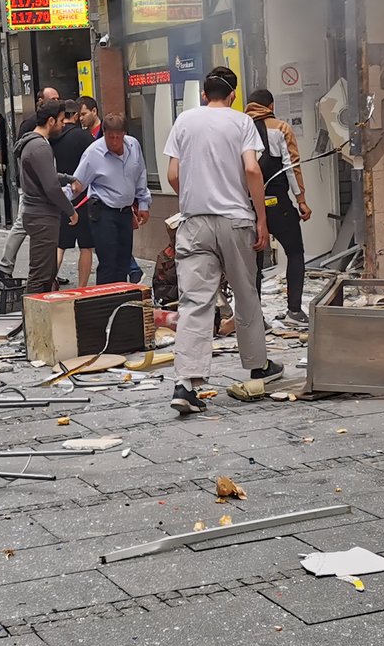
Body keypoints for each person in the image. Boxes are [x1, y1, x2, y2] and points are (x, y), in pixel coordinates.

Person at [164, 68, 280, 415]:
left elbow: (172, 174)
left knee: (194, 302)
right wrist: (261, 217)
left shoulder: (184, 121)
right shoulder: (241, 123)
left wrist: (192, 198)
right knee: (245, 293)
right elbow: (252, 170)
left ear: (204, 94)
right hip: (235, 220)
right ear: (232, 95)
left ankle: (185, 383)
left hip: (194, 222)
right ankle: (258, 366)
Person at [244, 90, 313, 325]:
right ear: (271, 105)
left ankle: (255, 317)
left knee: (253, 263)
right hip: (278, 204)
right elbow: (291, 167)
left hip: (249, 206)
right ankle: (294, 310)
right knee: (295, 253)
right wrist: (301, 200)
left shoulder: (239, 128)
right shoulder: (281, 128)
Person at [72, 114, 150, 286]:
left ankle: (120, 302)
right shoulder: (93, 153)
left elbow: (140, 175)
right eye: (110, 137)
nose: (114, 141)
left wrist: (143, 203)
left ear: (124, 134)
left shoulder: (133, 146)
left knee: (123, 261)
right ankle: (104, 304)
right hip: (103, 211)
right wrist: (63, 204)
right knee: (108, 262)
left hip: (124, 212)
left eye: (118, 137)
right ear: (104, 133)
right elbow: (77, 183)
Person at [0, 85, 61, 280]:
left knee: (28, 224)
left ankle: (44, 271)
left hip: (39, 183)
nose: (57, 102)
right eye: (53, 99)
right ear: (42, 101)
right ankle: (5, 264)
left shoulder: (45, 126)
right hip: (33, 186)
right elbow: (26, 155)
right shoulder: (32, 126)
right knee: (23, 222)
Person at [14, 100, 78, 297]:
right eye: (60, 120)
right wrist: (71, 210)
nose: (63, 124)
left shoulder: (34, 144)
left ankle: (40, 316)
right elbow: (50, 186)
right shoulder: (39, 147)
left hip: (39, 215)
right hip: (42, 216)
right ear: (50, 121)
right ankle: (31, 318)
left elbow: (46, 175)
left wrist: (68, 178)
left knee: (47, 273)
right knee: (40, 274)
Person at [54, 97, 101, 287]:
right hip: (83, 196)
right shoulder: (84, 138)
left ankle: (47, 283)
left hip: (60, 196)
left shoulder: (53, 137)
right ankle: (82, 287)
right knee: (86, 246)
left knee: (60, 245)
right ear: (74, 115)